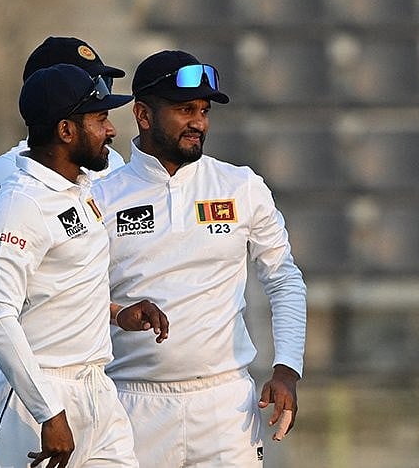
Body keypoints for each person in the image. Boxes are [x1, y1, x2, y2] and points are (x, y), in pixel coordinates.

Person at [91, 50, 307, 467]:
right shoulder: (100, 196)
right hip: (130, 403)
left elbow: (284, 279)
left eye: (204, 111)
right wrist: (119, 314)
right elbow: (75, 297)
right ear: (143, 115)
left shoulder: (240, 185)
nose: (199, 123)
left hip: (226, 407)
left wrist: (287, 368)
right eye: (184, 109)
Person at [0, 63, 168, 468]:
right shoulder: (21, 204)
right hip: (37, 400)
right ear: (66, 130)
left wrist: (117, 313)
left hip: (97, 390)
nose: (111, 130)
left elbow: (56, 290)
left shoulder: (80, 189)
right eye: (100, 119)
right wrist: (48, 411)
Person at [0, 37, 127, 185]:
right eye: (89, 85)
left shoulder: (112, 160)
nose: (101, 94)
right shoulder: (5, 170)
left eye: (104, 82)